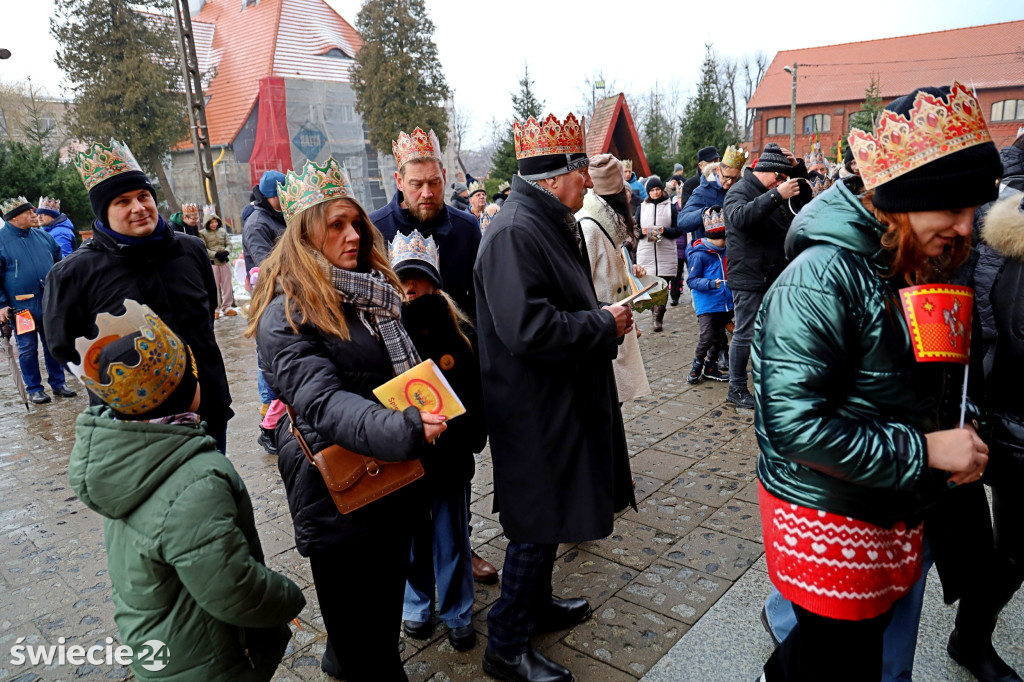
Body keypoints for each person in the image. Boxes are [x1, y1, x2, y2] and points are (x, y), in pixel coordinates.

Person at [753, 82, 1002, 682]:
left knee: (836, 651)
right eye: (954, 209)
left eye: (976, 211)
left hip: (888, 504)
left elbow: (921, 383)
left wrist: (962, 432)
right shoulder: (820, 278)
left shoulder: (915, 263)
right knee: (841, 656)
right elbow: (795, 426)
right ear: (903, 201)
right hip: (830, 522)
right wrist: (926, 449)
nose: (969, 229)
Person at [249, 156, 445, 682]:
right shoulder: (288, 313)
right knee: (367, 637)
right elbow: (324, 403)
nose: (354, 234)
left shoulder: (369, 295)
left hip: (387, 483)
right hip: (338, 495)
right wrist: (403, 427)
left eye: (355, 221)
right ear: (304, 235)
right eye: (335, 225)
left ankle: (347, 661)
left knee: (373, 621)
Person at [475, 112, 636, 682]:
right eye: (580, 172)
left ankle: (535, 605)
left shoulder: (543, 218)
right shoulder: (517, 231)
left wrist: (600, 318)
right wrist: (601, 327)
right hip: (533, 409)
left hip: (553, 400)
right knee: (537, 523)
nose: (588, 183)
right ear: (555, 176)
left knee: (550, 512)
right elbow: (528, 329)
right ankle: (507, 645)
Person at [67, 300, 305, 682]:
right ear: (186, 390)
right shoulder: (195, 481)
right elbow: (232, 587)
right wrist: (287, 598)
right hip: (209, 661)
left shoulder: (124, 454)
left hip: (160, 640)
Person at [43, 139, 232, 454]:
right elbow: (66, 349)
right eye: (122, 201)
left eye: (144, 196)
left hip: (207, 406)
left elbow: (206, 313)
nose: (139, 207)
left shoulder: (191, 250)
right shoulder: (72, 274)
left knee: (216, 496)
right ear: (104, 212)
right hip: (135, 428)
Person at [369, 127, 495, 583]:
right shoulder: (375, 229)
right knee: (407, 478)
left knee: (455, 475)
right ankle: (417, 574)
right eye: (416, 183)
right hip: (397, 375)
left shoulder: (465, 228)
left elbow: (480, 303)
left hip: (455, 369)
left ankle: (460, 547)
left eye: (434, 182)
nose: (426, 192)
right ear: (398, 180)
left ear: (444, 176)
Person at [389, 230, 487, 653]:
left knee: (451, 534)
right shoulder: (387, 331)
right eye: (402, 278)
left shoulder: (460, 334)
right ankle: (416, 602)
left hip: (449, 454)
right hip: (407, 454)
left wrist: (469, 436)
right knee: (412, 533)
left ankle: (456, 609)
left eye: (417, 277)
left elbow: (475, 392)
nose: (410, 286)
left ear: (433, 280)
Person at [722, 142, 809, 409]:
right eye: (779, 178)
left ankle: (769, 382)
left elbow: (806, 204)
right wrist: (776, 195)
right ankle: (736, 388)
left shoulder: (774, 188)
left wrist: (798, 169)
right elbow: (740, 218)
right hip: (749, 276)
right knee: (744, 333)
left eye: (784, 179)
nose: (781, 183)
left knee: (770, 333)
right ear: (767, 171)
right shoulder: (741, 189)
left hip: (773, 275)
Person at [575, 153, 651, 403]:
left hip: (614, 323)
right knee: (606, 400)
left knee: (613, 399)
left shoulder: (606, 222)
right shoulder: (589, 226)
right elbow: (582, 282)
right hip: (603, 326)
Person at [0, 196, 77, 404]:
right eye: (30, 212)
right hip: (21, 308)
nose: (35, 215)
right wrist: (1, 305)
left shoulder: (44, 237)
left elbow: (60, 262)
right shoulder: (1, 241)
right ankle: (34, 388)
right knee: (26, 348)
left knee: (52, 344)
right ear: (15, 217)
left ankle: (58, 383)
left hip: (48, 302)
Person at [243, 170, 288, 454]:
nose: (284, 201)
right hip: (269, 295)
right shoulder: (257, 223)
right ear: (269, 195)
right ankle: (267, 421)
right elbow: (265, 263)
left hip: (288, 292)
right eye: (279, 197)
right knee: (269, 359)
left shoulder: (280, 216)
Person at [674, 146, 747, 310]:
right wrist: (703, 213)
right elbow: (683, 221)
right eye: (727, 178)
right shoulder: (702, 192)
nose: (729, 183)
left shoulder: (741, 189)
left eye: (734, 179)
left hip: (735, 259)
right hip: (710, 260)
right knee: (711, 317)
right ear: (719, 170)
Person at [685, 207, 732, 384]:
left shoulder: (727, 250)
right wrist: (711, 284)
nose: (724, 243)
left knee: (719, 337)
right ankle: (696, 366)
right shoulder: (700, 255)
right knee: (706, 336)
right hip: (706, 303)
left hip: (724, 302)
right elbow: (692, 280)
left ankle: (711, 368)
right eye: (721, 240)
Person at [634, 175, 680, 332]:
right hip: (646, 253)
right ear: (648, 192)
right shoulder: (641, 208)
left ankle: (657, 317)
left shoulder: (670, 207)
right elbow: (633, 232)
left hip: (665, 253)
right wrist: (642, 232)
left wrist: (664, 230)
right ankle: (655, 311)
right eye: (652, 190)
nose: (655, 192)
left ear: (661, 190)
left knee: (663, 286)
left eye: (657, 189)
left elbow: (678, 230)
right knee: (651, 286)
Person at [200, 207, 237, 319]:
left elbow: (229, 244)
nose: (214, 224)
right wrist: (215, 254)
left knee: (227, 285)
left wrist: (226, 252)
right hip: (213, 264)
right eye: (211, 222)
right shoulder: (202, 233)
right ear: (207, 223)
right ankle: (215, 309)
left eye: (215, 221)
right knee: (214, 287)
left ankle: (227, 307)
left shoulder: (223, 231)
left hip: (224, 262)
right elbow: (204, 248)